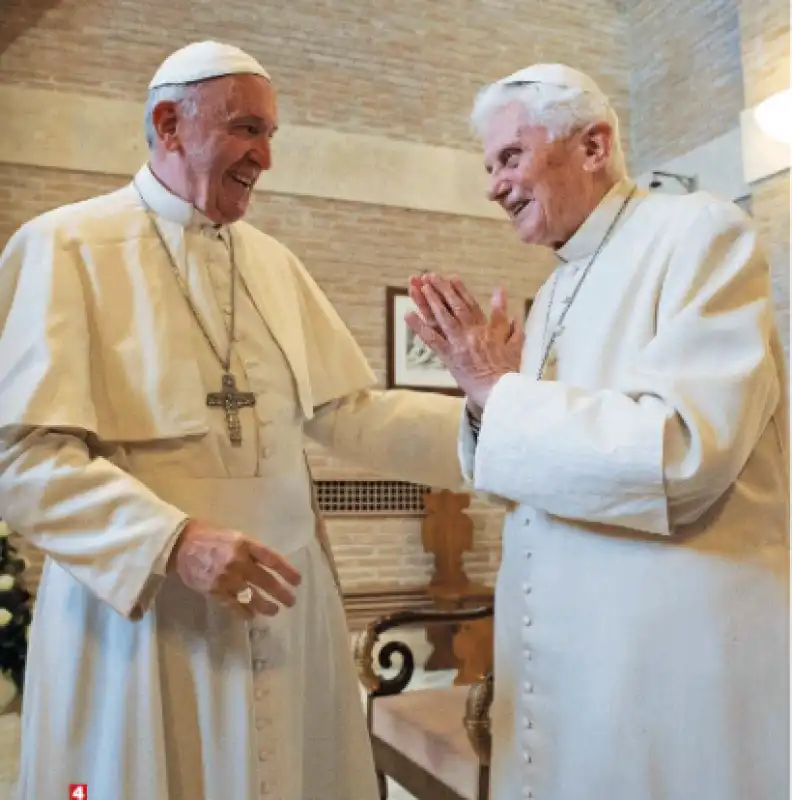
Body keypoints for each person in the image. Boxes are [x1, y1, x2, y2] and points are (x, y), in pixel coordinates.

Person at [0, 41, 466, 800]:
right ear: (169, 124)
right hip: (147, 622)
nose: (266, 157)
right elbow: (21, 459)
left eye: (271, 135)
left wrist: (491, 418)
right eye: (248, 130)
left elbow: (349, 413)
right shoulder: (65, 246)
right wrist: (171, 541)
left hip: (284, 609)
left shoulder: (274, 263)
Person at [406, 63, 789, 800]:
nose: (492, 185)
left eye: (509, 157)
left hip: (669, 671)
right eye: (488, 166)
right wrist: (494, 401)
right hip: (572, 666)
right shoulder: (553, 290)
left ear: (592, 145)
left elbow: (681, 452)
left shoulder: (698, 233)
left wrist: (499, 392)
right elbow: (548, 473)